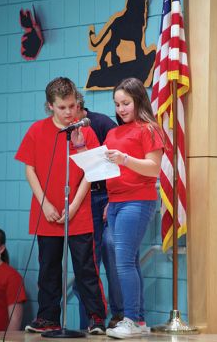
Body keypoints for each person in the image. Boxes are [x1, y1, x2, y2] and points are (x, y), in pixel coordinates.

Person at [15, 77, 106, 334]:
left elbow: (92, 171)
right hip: (48, 212)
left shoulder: (85, 131)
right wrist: (44, 203)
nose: (69, 112)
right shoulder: (36, 130)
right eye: (62, 108)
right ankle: (48, 317)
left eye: (72, 106)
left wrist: (75, 204)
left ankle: (96, 318)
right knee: (48, 269)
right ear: (50, 107)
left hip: (79, 212)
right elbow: (29, 169)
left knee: (86, 268)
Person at [104, 77, 164, 339]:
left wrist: (126, 159)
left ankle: (130, 319)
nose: (121, 109)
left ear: (139, 100)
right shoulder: (112, 133)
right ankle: (138, 320)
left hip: (138, 200)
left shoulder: (149, 129)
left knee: (124, 261)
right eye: (117, 104)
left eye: (126, 103)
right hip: (116, 202)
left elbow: (153, 168)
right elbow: (110, 170)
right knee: (129, 261)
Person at [74, 93, 124, 330]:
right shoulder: (64, 130)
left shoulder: (102, 123)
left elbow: (119, 165)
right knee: (84, 262)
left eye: (71, 108)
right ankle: (90, 324)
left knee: (113, 252)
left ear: (80, 107)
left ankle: (120, 316)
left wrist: (112, 199)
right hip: (83, 198)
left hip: (105, 196)